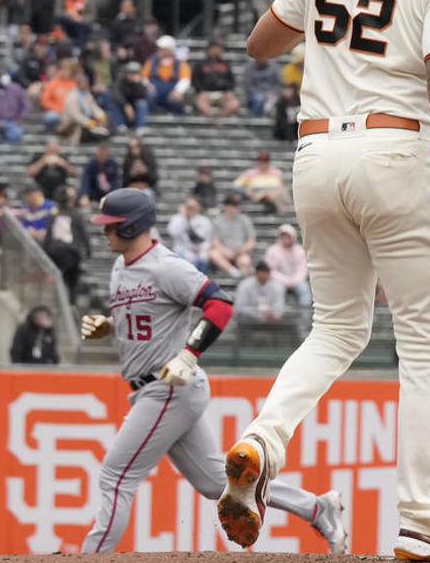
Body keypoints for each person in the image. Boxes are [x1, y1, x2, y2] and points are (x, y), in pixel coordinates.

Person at [220, 0, 430, 558]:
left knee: (336, 330)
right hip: (398, 149)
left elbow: (260, 45)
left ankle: (263, 442)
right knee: (424, 346)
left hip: (317, 153)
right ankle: (423, 520)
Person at [78, 189, 347, 554]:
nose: (104, 233)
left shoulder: (165, 265)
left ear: (131, 225)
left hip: (168, 384)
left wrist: (189, 354)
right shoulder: (120, 266)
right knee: (212, 481)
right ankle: (317, 508)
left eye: (110, 226)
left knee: (115, 476)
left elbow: (219, 303)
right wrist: (110, 325)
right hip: (157, 387)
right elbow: (149, 318)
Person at [264, 223, 312, 307]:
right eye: (283, 236)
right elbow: (271, 270)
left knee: (304, 289)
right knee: (277, 289)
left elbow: (303, 269)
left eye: (288, 236)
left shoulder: (300, 251)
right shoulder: (272, 251)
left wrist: (294, 280)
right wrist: (285, 281)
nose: (285, 239)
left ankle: (304, 312)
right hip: (278, 281)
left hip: (297, 281)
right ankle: (278, 312)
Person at [193, 38, 241, 117]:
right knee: (201, 104)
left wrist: (229, 91)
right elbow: (196, 80)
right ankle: (213, 120)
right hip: (206, 94)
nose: (219, 50)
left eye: (220, 48)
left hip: (222, 94)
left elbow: (231, 80)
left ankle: (219, 119)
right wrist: (200, 91)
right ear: (210, 48)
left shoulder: (225, 64)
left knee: (235, 103)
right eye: (216, 47)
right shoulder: (200, 64)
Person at [209, 194, 256, 276]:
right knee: (213, 254)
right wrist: (225, 251)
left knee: (245, 261)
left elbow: (251, 240)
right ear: (225, 206)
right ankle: (232, 271)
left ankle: (243, 275)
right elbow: (215, 242)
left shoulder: (244, 220)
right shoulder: (218, 221)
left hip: (240, 253)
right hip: (224, 254)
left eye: (236, 205)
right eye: (231, 205)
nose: (233, 208)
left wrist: (243, 249)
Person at [144, 36, 191, 113]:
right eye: (160, 48)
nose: (160, 50)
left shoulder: (180, 63)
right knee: (150, 95)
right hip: (156, 91)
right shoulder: (152, 61)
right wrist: (149, 86)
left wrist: (178, 91)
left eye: (163, 49)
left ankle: (178, 121)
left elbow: (185, 79)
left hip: (172, 92)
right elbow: (143, 77)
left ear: (170, 49)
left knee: (177, 100)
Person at [59, 74, 109, 144]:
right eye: (83, 82)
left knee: (104, 131)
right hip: (74, 126)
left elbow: (94, 107)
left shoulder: (87, 95)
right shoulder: (72, 96)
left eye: (86, 82)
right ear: (78, 83)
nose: (85, 84)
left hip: (88, 125)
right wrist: (90, 123)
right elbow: (76, 115)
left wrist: (101, 116)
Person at [167, 197, 212, 271]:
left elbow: (207, 240)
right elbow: (173, 232)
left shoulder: (204, 221)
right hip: (181, 251)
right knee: (190, 261)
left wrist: (201, 251)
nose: (191, 209)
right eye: (189, 206)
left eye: (193, 207)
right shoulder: (177, 218)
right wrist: (183, 217)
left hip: (199, 252)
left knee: (203, 260)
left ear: (199, 207)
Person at [108, 61, 150, 132]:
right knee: (113, 103)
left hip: (135, 108)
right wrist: (126, 105)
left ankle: (140, 127)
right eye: (131, 72)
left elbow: (143, 96)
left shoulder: (140, 83)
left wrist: (137, 84)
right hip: (123, 107)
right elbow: (116, 94)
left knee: (142, 104)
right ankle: (120, 126)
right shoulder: (120, 81)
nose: (133, 75)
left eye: (135, 73)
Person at [80, 142, 120, 206]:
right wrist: (85, 195)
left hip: (108, 194)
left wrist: (113, 195)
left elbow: (115, 181)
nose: (103, 155)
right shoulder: (91, 163)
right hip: (94, 193)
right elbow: (86, 179)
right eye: (101, 152)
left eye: (105, 152)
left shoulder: (112, 163)